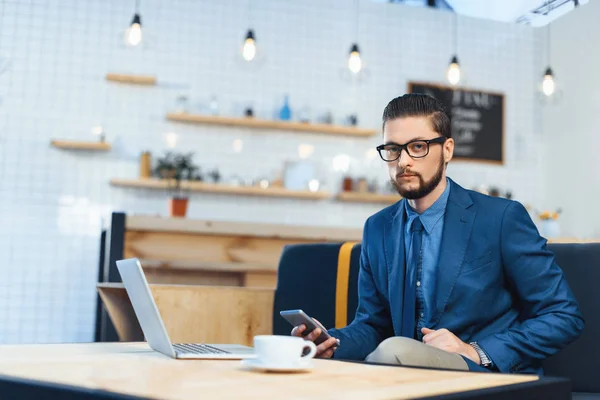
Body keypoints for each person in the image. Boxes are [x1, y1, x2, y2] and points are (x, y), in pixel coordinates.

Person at [291, 93, 584, 374]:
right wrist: (330, 341)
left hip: (488, 377)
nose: (403, 161)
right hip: (404, 371)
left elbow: (562, 316)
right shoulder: (377, 227)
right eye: (393, 149)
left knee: (393, 352)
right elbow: (373, 326)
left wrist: (476, 350)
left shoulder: (502, 218)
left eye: (417, 146)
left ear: (447, 150)